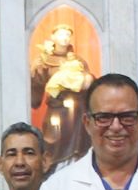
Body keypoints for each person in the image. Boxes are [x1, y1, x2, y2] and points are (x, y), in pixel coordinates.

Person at [30, 24, 94, 167]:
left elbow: (90, 85)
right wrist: (36, 72)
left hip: (78, 112)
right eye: (61, 34)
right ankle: (56, 169)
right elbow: (36, 89)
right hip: (57, 110)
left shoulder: (78, 61)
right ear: (53, 37)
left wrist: (88, 79)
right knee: (55, 141)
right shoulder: (44, 60)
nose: (64, 38)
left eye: (67, 35)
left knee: (79, 145)